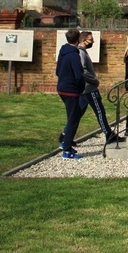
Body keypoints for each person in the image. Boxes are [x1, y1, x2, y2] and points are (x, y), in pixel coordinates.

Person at [78, 31, 126, 144]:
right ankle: (109, 134)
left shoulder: (82, 52)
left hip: (86, 88)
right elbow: (82, 70)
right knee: (100, 111)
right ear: (83, 40)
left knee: (77, 113)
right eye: (91, 40)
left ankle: (65, 136)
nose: (93, 42)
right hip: (89, 88)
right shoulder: (81, 53)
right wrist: (94, 80)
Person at [56, 28, 86, 159]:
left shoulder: (62, 52)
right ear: (78, 39)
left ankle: (66, 142)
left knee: (74, 115)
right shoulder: (74, 55)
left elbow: (58, 71)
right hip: (72, 90)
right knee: (73, 119)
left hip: (62, 87)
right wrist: (81, 87)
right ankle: (66, 149)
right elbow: (78, 75)